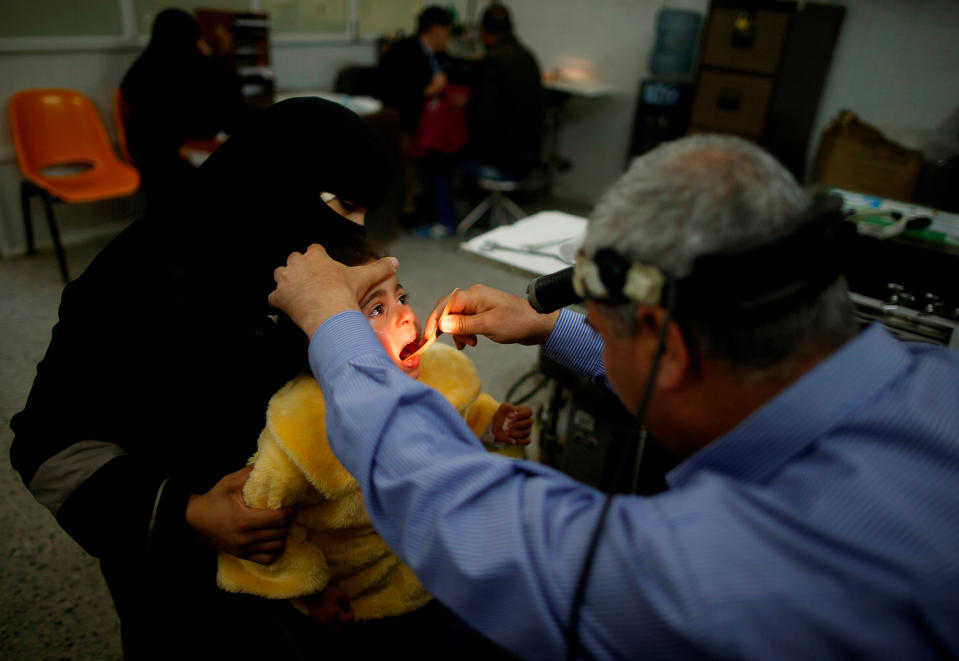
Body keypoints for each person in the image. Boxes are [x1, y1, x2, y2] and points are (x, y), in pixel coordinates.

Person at [267, 134, 959, 659]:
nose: (590, 332)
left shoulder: (740, 568)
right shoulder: (933, 379)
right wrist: (549, 325)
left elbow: (468, 515)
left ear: (670, 345)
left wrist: (336, 327)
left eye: (599, 326)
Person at [9, 97, 393, 659]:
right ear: (274, 180)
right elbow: (48, 447)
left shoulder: (311, 260)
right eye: (344, 204)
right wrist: (189, 514)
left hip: (308, 561)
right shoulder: (136, 280)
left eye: (365, 213)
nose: (352, 231)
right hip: (181, 573)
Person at [217, 261, 532, 658]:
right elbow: (263, 519)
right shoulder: (299, 430)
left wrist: (492, 426)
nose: (406, 314)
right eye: (376, 309)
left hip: (437, 569)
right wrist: (311, 590)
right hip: (363, 599)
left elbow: (457, 415)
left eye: (401, 298)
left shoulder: (440, 374)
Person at [120, 8, 249, 199]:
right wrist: (178, 148)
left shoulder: (150, 64)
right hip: (160, 152)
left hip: (189, 145)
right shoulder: (154, 72)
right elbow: (147, 126)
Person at [378, 6, 461, 236]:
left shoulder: (441, 55)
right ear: (434, 30)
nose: (448, 37)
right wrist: (426, 90)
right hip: (409, 121)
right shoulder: (403, 52)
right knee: (416, 159)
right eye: (446, 31)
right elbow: (392, 92)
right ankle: (410, 208)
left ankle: (435, 210)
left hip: (436, 123)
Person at [463, 3, 545, 178]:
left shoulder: (492, 61)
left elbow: (483, 114)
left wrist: (465, 104)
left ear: (483, 31)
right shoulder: (528, 56)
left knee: (437, 157)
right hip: (528, 151)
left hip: (502, 156)